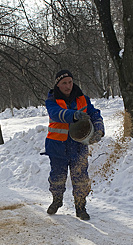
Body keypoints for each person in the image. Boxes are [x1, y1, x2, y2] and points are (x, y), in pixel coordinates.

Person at [43, 69, 105, 220]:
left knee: (81, 178)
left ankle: (80, 206)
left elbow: (94, 113)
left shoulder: (82, 98)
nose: (68, 85)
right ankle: (57, 200)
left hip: (78, 145)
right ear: (57, 85)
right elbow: (56, 113)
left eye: (70, 82)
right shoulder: (52, 101)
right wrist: (74, 115)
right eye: (64, 83)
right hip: (57, 146)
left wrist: (99, 127)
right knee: (57, 177)